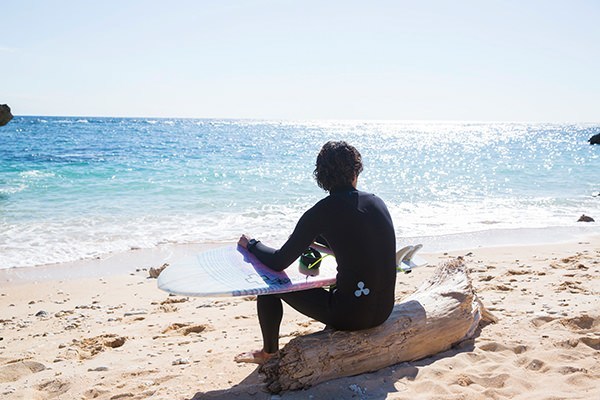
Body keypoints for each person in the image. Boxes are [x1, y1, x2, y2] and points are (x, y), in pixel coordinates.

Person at [236, 141, 396, 364]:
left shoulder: (321, 212)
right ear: (355, 170)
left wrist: (251, 244)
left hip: (350, 316)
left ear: (321, 176)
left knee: (268, 287)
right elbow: (358, 243)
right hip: (384, 311)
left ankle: (268, 353)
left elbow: (278, 261)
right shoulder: (377, 202)